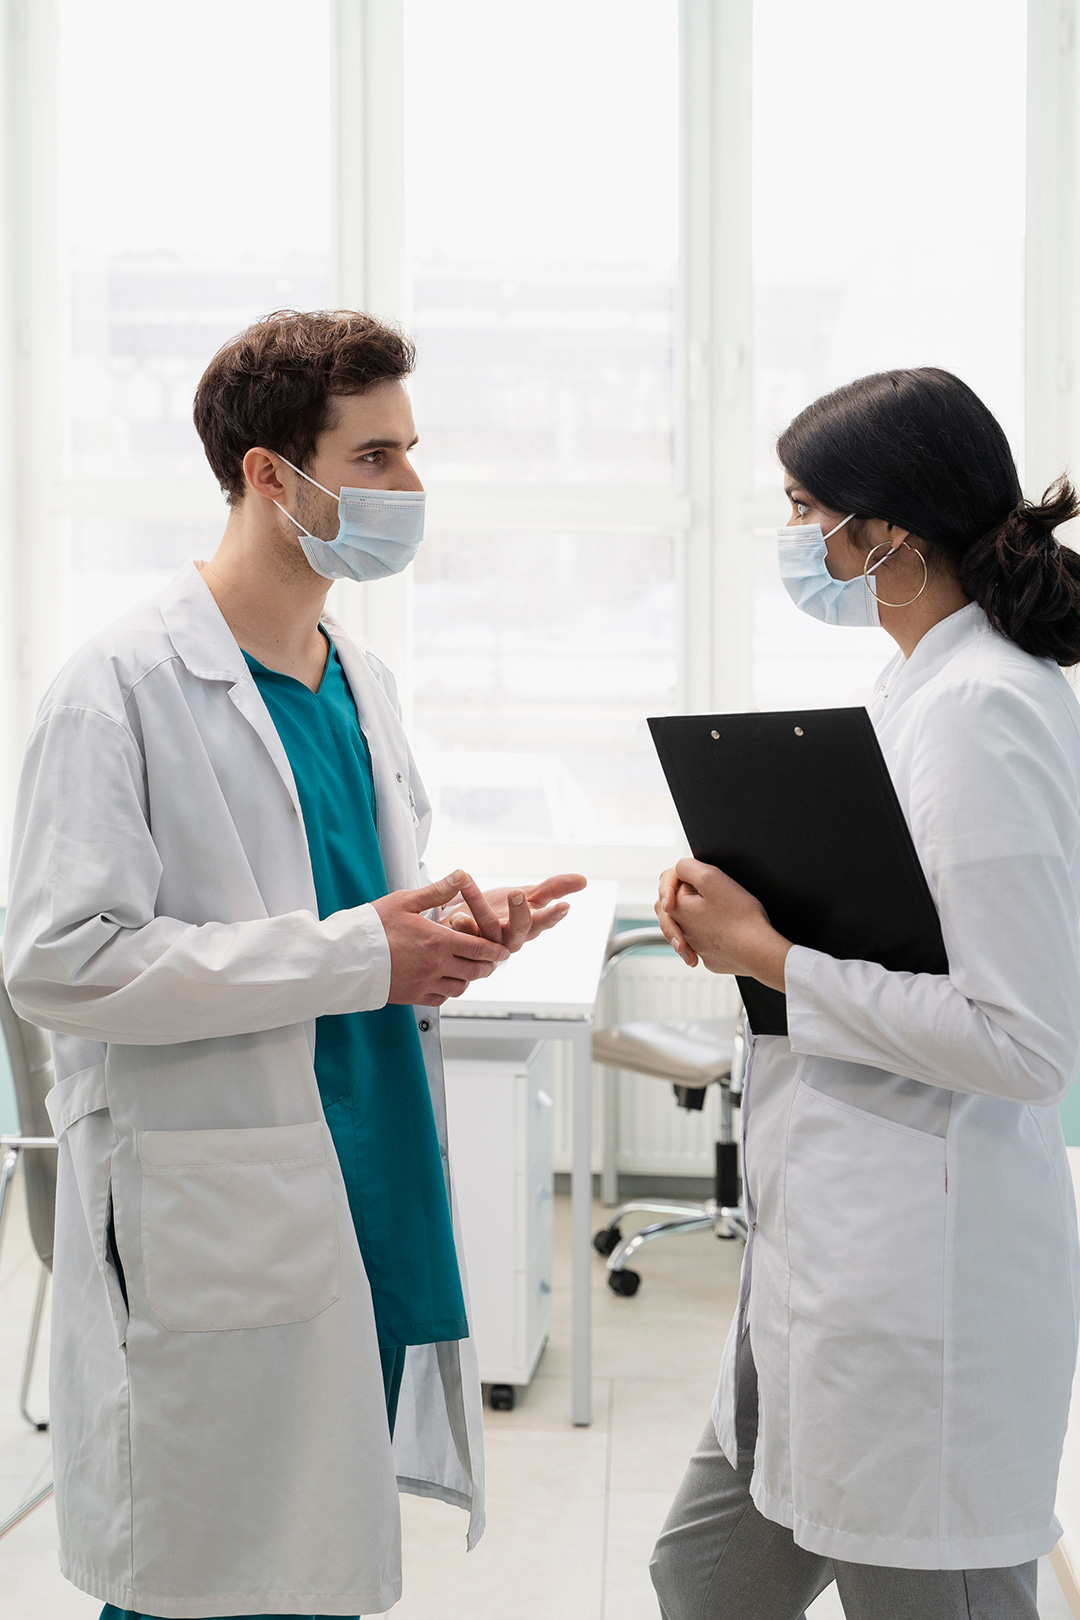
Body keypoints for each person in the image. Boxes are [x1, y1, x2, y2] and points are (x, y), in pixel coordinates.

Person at [3, 308, 585, 1620]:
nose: (411, 490)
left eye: (410, 453)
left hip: (362, 1178)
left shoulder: (357, 679)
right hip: (221, 1200)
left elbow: (341, 923)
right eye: (375, 457)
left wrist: (439, 942)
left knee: (308, 1566)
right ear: (270, 473)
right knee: (204, 1577)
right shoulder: (121, 688)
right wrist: (353, 951)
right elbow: (59, 962)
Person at [650, 367, 1080, 1620]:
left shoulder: (984, 709)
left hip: (920, 1287)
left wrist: (771, 957)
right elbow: (893, 930)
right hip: (831, 1258)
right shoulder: (916, 687)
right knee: (703, 1574)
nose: (795, 541)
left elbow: (1025, 1041)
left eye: (804, 509)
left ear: (882, 526)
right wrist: (741, 913)